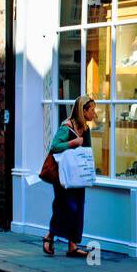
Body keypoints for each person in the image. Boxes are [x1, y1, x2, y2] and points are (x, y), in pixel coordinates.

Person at [43, 95, 95, 258]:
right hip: (64, 175)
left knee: (78, 208)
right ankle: (50, 236)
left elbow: (87, 151)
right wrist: (72, 143)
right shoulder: (66, 127)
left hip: (78, 175)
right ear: (83, 110)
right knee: (64, 207)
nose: (95, 113)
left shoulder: (86, 129)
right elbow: (55, 147)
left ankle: (72, 245)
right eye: (92, 110)